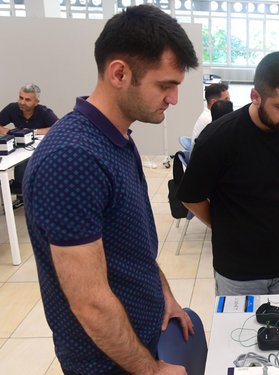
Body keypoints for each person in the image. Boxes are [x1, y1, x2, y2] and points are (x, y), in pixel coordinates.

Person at [22, 5, 199, 375]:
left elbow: (131, 247)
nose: (173, 99)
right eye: (165, 85)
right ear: (119, 73)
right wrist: (151, 371)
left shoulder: (117, 138)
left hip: (143, 335)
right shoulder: (72, 158)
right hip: (109, 361)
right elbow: (89, 302)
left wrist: (164, 295)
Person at [177, 51, 279, 296]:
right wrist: (225, 227)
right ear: (255, 96)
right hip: (239, 272)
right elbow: (190, 196)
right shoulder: (218, 138)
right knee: (238, 335)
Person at [0, 83, 59, 208]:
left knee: (29, 164)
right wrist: (7, 132)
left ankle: (34, 194)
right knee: (17, 162)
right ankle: (20, 195)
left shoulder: (44, 112)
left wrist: (33, 132)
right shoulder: (12, 108)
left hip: (40, 148)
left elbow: (58, 126)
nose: (22, 102)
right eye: (21, 98)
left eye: (27, 100)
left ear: (36, 102)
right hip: (20, 148)